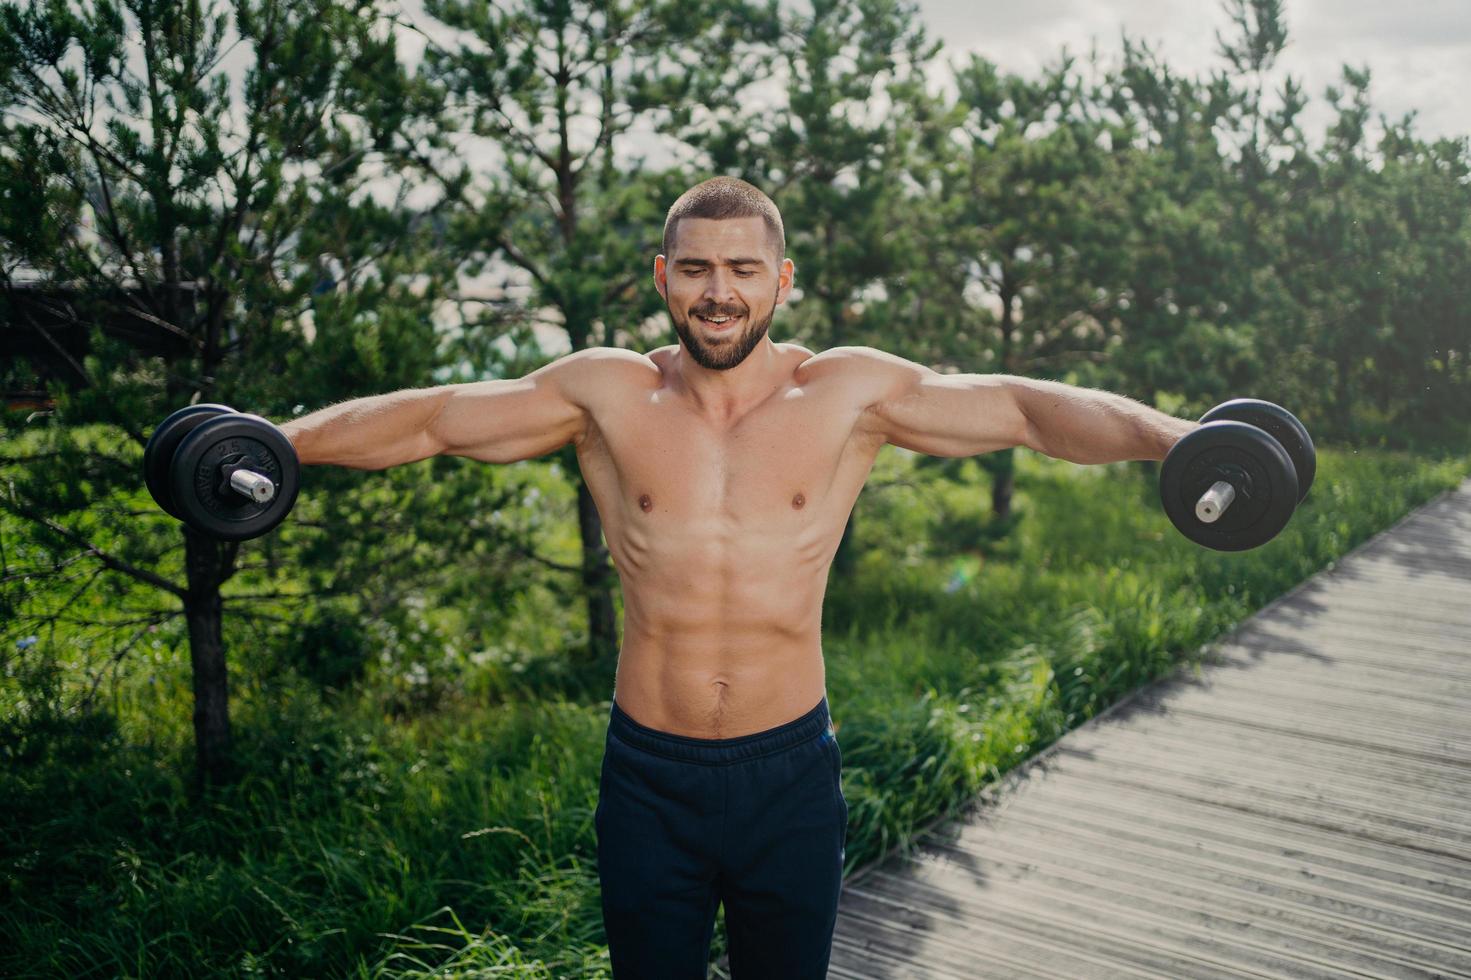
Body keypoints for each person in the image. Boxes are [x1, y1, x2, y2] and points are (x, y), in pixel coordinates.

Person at [277, 175, 1198, 978]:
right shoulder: (605, 397)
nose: (718, 294)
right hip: (648, 778)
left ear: (781, 281)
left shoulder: (845, 395)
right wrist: (274, 445)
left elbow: (1028, 412)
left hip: (789, 774)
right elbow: (434, 420)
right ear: (663, 276)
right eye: (695, 269)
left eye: (743, 270)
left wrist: (1179, 442)